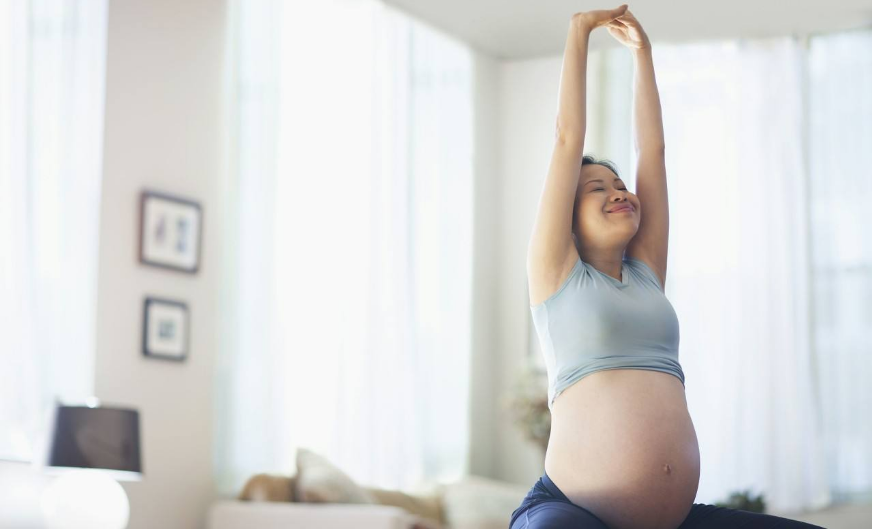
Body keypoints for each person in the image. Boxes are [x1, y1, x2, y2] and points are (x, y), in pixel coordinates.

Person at [512, 5, 826, 529]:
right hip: (568, 511)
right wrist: (580, 31)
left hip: (674, 519)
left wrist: (643, 55)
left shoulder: (646, 274)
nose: (619, 192)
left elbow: (651, 150)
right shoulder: (555, 275)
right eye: (597, 189)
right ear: (566, 218)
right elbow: (567, 138)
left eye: (619, 186)